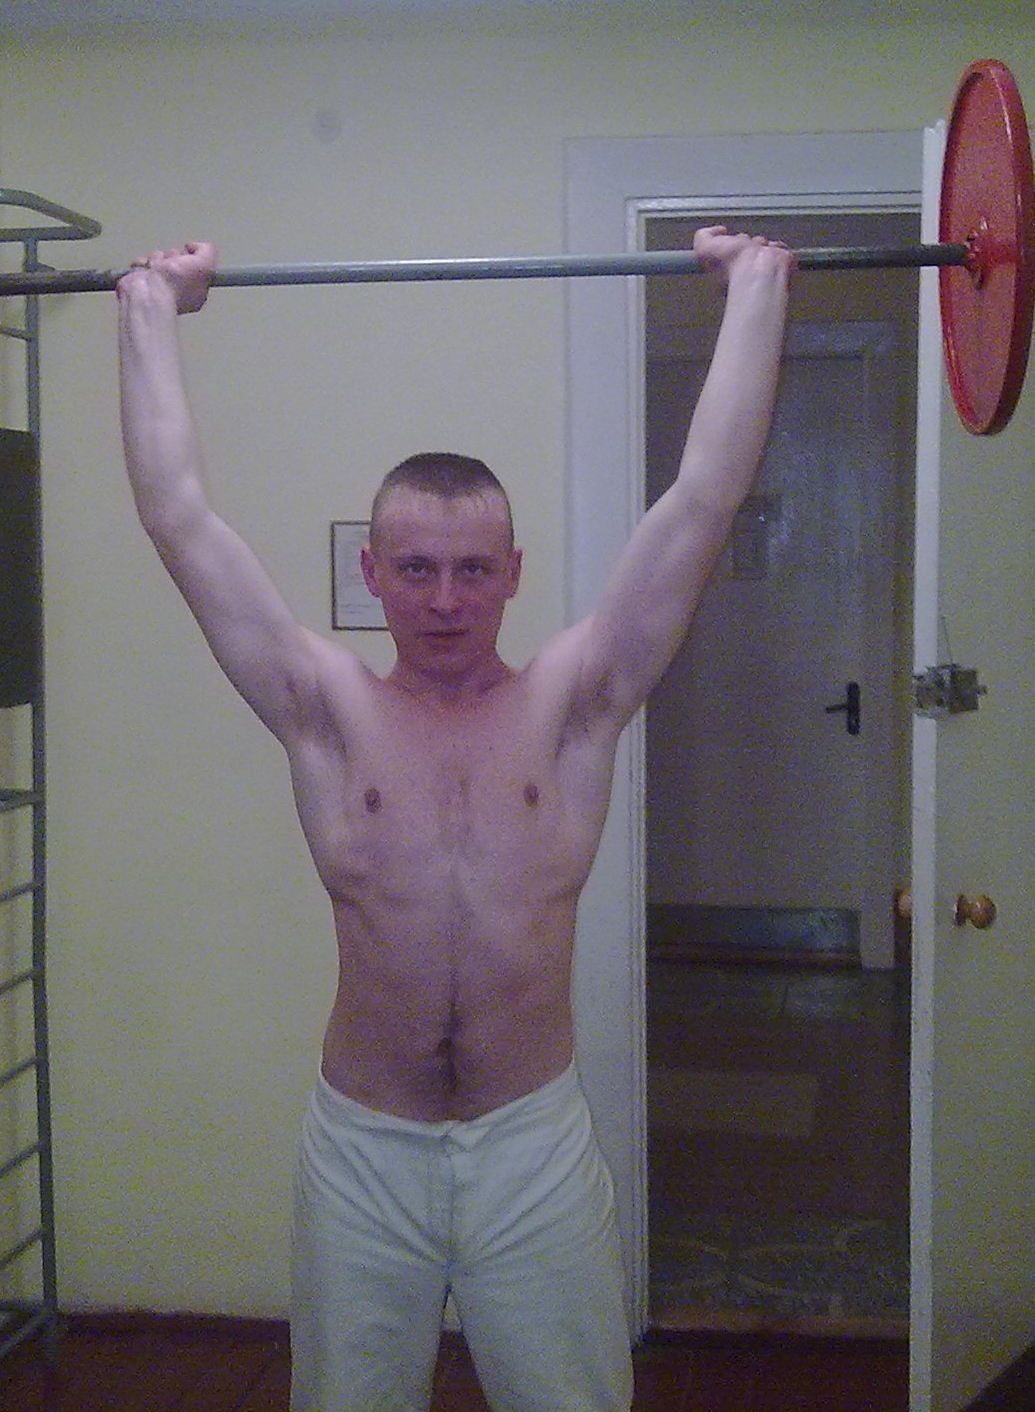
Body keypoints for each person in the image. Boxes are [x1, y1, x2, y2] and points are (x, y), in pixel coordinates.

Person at [114, 226, 795, 1412]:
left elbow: (702, 500)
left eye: (471, 570)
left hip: (528, 1146)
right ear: (372, 573)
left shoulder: (572, 705)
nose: (443, 600)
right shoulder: (324, 712)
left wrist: (755, 291)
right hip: (361, 1152)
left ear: (512, 573)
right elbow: (178, 518)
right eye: (416, 569)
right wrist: (148, 307)